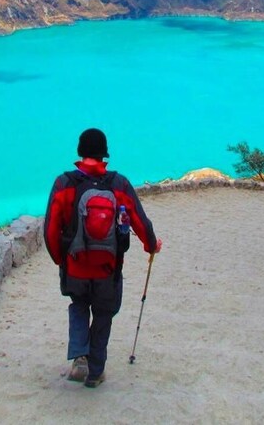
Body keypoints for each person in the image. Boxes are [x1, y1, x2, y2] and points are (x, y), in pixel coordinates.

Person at [44, 128, 162, 388]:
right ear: (104, 154)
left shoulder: (64, 184)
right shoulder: (118, 184)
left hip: (75, 266)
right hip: (108, 268)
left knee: (78, 305)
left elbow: (51, 228)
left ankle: (79, 359)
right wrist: (151, 245)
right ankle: (95, 373)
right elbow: (140, 220)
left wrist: (59, 259)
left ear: (80, 152)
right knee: (103, 314)